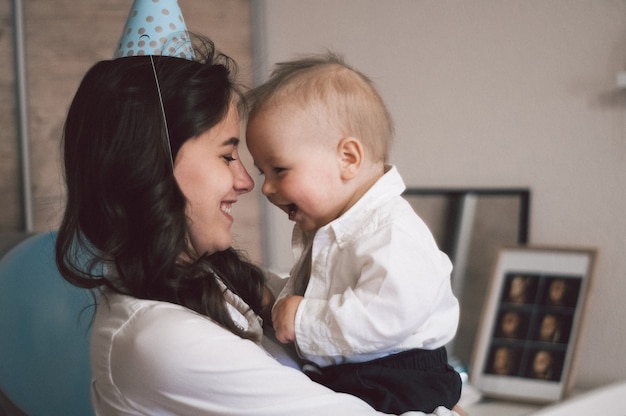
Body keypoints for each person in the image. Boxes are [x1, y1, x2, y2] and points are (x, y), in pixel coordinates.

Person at [55, 35, 460, 416]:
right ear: (153, 167)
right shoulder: (159, 342)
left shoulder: (216, 282)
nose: (250, 183)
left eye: (275, 168)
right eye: (228, 156)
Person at [245, 52, 462, 414]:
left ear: (348, 158)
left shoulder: (392, 233)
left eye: (279, 169)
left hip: (399, 377)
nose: (265, 188)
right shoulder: (330, 227)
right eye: (262, 172)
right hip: (356, 371)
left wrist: (303, 319)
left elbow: (384, 316)